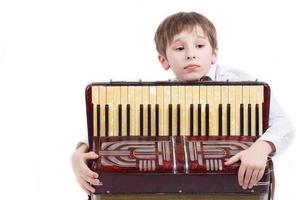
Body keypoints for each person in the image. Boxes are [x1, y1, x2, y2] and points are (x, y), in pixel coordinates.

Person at [71, 11, 294, 195]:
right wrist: (78, 153)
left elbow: (284, 126)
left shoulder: (239, 83)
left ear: (214, 53)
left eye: (199, 46)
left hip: (239, 182)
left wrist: (262, 147)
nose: (190, 55)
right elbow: (112, 128)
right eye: (179, 48)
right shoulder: (157, 96)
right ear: (164, 60)